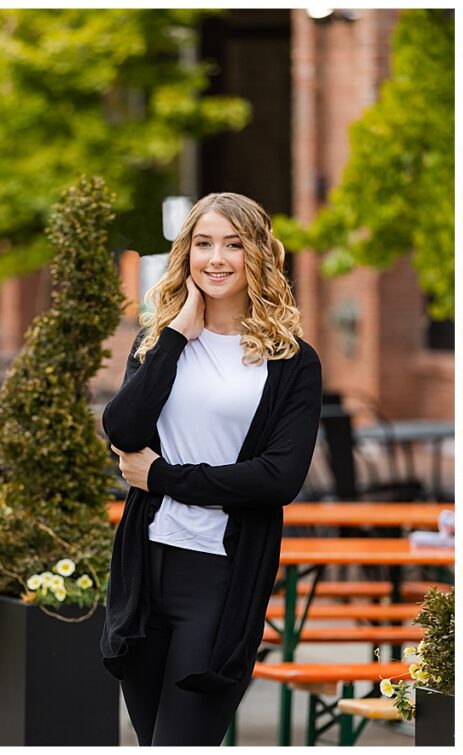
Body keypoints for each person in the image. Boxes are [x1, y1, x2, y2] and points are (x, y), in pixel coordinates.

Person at [99, 193, 322, 745]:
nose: (216, 258)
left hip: (222, 578)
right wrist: (176, 336)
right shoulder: (160, 341)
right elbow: (122, 430)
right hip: (145, 571)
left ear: (259, 255)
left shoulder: (291, 361)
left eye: (233, 244)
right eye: (203, 244)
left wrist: (164, 478)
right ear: (187, 253)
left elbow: (277, 480)